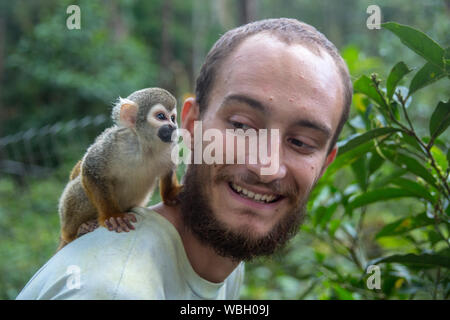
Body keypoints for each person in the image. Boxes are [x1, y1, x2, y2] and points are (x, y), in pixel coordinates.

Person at [16, 17, 352, 300]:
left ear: (325, 163)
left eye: (301, 142)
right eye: (240, 126)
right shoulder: (113, 289)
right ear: (191, 127)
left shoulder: (221, 259)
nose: (266, 168)